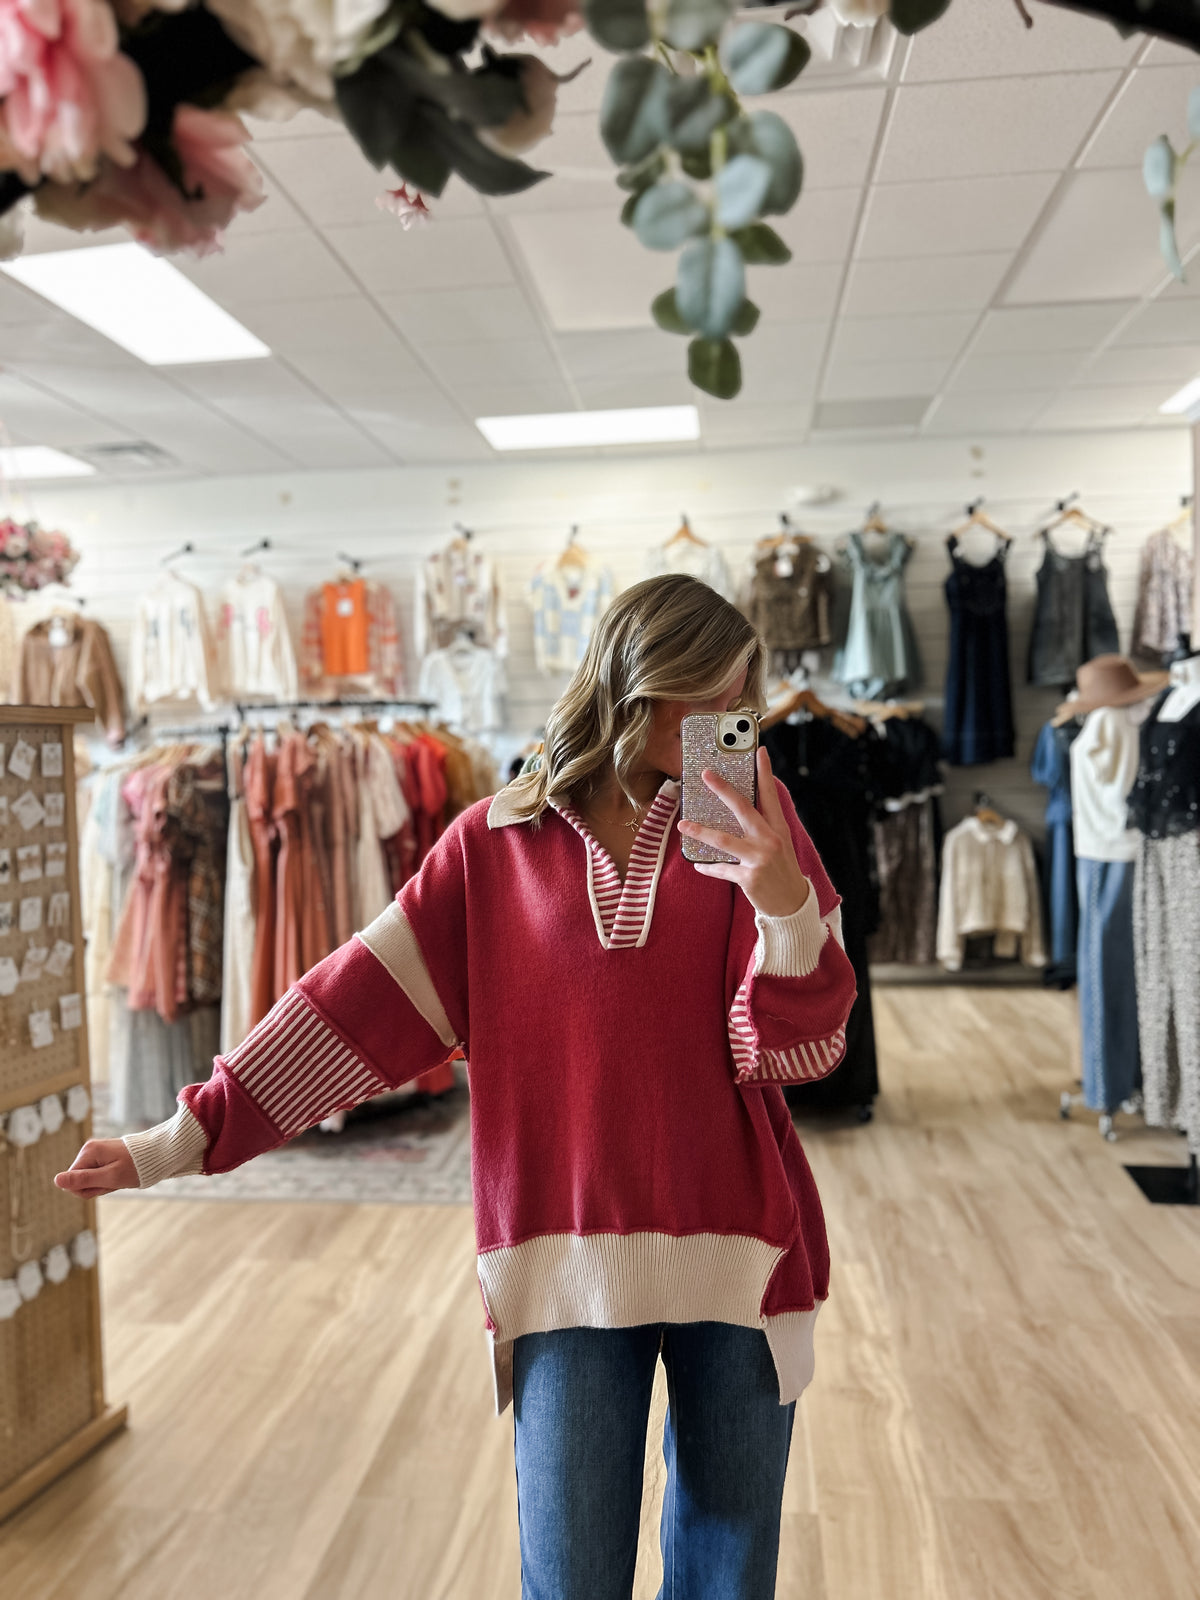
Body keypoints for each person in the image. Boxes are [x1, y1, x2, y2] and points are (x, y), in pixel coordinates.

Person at [57, 573, 856, 1600]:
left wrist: (781, 899)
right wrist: (180, 1136)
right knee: (568, 1574)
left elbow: (799, 1052)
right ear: (632, 683)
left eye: (737, 700)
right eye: (699, 695)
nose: (721, 725)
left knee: (729, 1569)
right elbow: (349, 1006)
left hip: (745, 1255)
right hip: (561, 1263)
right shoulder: (492, 844)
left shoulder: (760, 822)